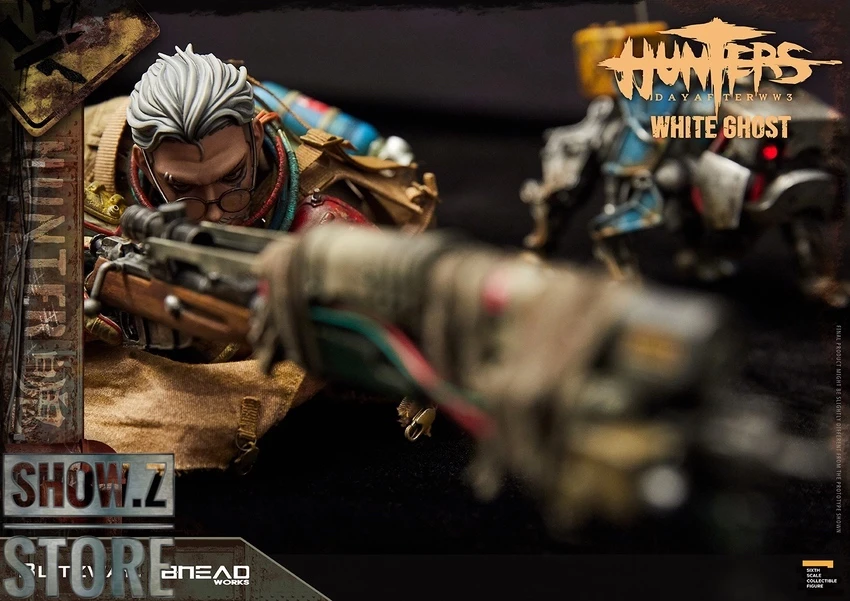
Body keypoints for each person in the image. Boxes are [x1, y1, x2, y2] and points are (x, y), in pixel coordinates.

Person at [81, 45, 440, 471]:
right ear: (143, 159)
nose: (214, 210)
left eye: (232, 176)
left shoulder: (321, 215)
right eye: (182, 187)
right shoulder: (94, 141)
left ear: (257, 133)